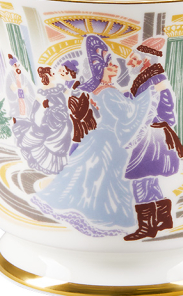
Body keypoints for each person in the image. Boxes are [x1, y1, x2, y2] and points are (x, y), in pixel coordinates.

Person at [30, 36, 158, 237]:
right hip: (109, 141)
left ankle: (91, 215)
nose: (115, 67)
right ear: (100, 70)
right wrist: (147, 97)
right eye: (109, 65)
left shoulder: (102, 90)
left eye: (113, 63)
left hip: (101, 137)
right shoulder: (108, 92)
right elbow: (127, 114)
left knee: (89, 179)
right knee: (105, 181)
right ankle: (107, 220)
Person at [122, 37, 183, 241]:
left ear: (146, 60)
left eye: (135, 58)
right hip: (152, 134)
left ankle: (146, 227)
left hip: (151, 136)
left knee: (141, 179)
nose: (130, 62)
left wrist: (138, 113)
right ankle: (164, 219)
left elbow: (164, 106)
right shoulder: (146, 78)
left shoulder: (156, 79)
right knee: (150, 180)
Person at [11, 66, 74, 175]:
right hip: (53, 120)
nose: (54, 74)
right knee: (51, 142)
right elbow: (38, 105)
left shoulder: (59, 88)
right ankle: (49, 165)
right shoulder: (43, 92)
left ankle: (62, 167)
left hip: (63, 121)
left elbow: (69, 95)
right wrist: (34, 116)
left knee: (62, 141)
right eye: (52, 73)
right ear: (46, 76)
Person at [57, 59, 97, 154]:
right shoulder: (67, 84)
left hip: (81, 114)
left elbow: (81, 97)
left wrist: (68, 93)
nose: (60, 72)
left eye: (62, 71)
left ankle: (86, 150)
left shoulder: (76, 85)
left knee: (83, 134)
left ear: (69, 72)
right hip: (73, 115)